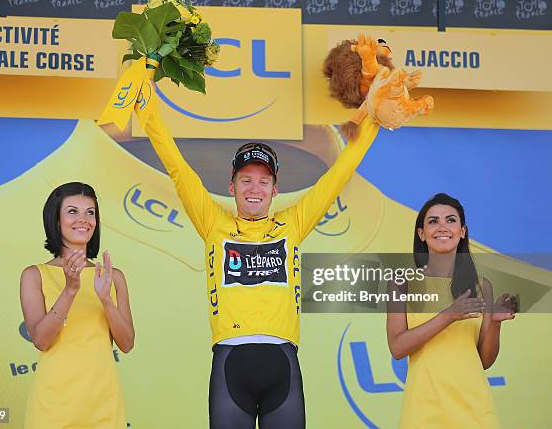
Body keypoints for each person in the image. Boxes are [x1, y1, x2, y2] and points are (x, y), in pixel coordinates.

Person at [143, 105, 379, 428]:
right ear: (232, 187)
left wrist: (374, 121)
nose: (255, 189)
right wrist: (148, 112)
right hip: (230, 363)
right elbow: (177, 168)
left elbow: (338, 176)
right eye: (246, 180)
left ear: (274, 190)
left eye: (264, 182)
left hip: (282, 361)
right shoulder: (213, 223)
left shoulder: (293, 223)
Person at [386, 193, 517, 428]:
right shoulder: (401, 282)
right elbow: (397, 347)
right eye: (433, 221)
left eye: (450, 220)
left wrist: (495, 322)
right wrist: (448, 315)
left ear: (463, 231)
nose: (442, 227)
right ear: (421, 234)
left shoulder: (481, 286)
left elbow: (484, 360)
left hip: (475, 410)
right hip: (424, 410)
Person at [20, 182, 134, 428]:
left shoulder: (113, 277)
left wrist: (106, 300)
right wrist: (70, 290)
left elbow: (126, 344)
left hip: (104, 405)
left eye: (90, 212)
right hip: (53, 407)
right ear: (56, 220)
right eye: (72, 211)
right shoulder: (34, 275)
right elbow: (41, 340)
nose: (84, 219)